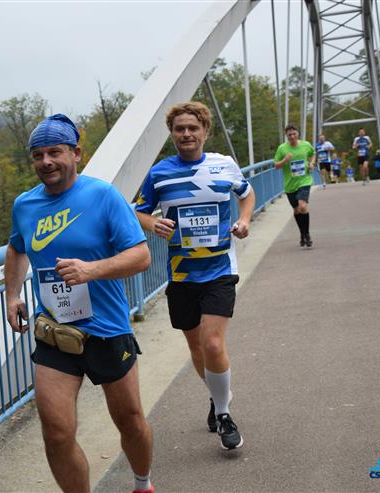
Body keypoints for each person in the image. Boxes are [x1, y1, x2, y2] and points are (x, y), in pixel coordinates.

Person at [5, 114, 155, 493]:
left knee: (130, 420)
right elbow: (17, 247)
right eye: (38, 155)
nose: (46, 162)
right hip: (55, 332)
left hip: (106, 330)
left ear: (76, 154)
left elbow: (141, 256)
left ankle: (143, 484)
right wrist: (12, 295)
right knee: (56, 432)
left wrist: (92, 270)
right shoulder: (25, 205)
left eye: (54, 152)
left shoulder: (103, 196)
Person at [135, 101, 255, 451]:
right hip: (181, 274)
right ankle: (218, 396)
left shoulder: (224, 165)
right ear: (172, 134)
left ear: (205, 131)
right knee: (197, 349)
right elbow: (138, 212)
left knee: (213, 343)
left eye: (193, 128)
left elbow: (246, 194)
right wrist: (152, 223)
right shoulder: (159, 173)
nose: (186, 134)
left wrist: (244, 220)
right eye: (179, 129)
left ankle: (224, 413)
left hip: (220, 269)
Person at [274, 124, 316, 247]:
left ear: (298, 133)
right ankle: (302, 233)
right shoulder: (282, 149)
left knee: (302, 206)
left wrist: (312, 163)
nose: (292, 137)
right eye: (289, 135)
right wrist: (285, 160)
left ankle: (307, 234)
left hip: (304, 181)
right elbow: (276, 165)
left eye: (294, 134)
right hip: (290, 184)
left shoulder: (306, 145)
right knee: (296, 210)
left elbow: (313, 153)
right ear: (286, 136)